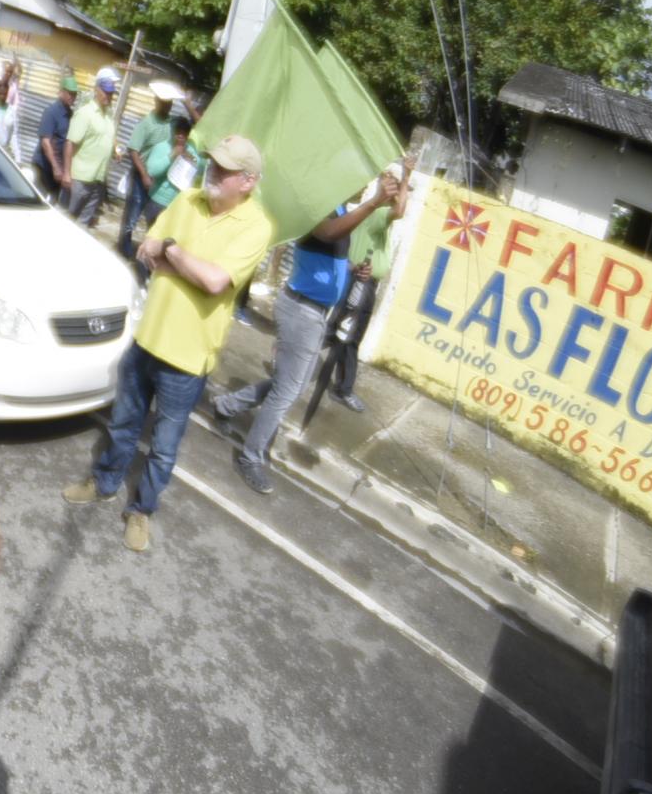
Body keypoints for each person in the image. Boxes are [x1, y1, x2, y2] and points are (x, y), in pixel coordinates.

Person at [64, 134, 273, 552]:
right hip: (148, 338)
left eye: (225, 170)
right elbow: (146, 250)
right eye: (213, 162)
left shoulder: (257, 227)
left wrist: (173, 250)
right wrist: (183, 261)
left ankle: (141, 510)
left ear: (248, 181)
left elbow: (215, 282)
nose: (213, 171)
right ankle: (105, 481)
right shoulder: (188, 199)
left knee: (163, 446)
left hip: (189, 357)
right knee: (123, 422)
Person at [208, 170, 391, 493]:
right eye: (357, 179)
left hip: (315, 313)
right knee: (287, 390)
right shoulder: (316, 211)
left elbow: (327, 252)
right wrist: (375, 203)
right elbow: (330, 234)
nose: (362, 185)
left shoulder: (337, 211)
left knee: (291, 384)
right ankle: (250, 456)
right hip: (301, 311)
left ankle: (228, 405)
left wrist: (351, 269)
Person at [329, 161, 411, 414]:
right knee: (344, 332)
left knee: (344, 332)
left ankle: (341, 385)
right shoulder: (377, 214)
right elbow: (399, 210)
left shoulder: (376, 216)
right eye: (397, 188)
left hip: (365, 283)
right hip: (360, 283)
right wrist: (407, 175)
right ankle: (343, 388)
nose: (401, 194)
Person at [118, 80, 180, 258]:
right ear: (156, 101)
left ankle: (149, 249)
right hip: (141, 175)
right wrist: (144, 175)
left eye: (170, 103)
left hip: (160, 176)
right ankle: (124, 248)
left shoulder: (171, 124)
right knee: (133, 214)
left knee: (155, 217)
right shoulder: (146, 123)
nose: (167, 106)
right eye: (164, 102)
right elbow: (134, 150)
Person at [62, 71, 118, 228]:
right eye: (105, 92)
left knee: (83, 222)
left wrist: (114, 149)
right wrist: (66, 173)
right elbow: (70, 143)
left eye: (111, 93)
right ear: (96, 90)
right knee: (68, 218)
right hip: (80, 178)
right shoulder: (85, 113)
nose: (108, 96)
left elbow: (105, 138)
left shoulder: (107, 116)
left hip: (98, 178)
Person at [35, 74, 77, 200]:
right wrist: (55, 167)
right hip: (44, 166)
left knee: (53, 200)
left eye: (74, 94)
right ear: (61, 92)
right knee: (40, 199)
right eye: (69, 93)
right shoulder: (51, 112)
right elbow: (45, 142)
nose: (72, 97)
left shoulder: (71, 114)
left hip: (59, 167)